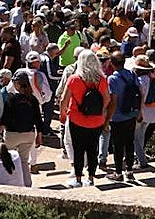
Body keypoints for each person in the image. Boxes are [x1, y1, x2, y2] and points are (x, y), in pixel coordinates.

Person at [60, 49, 110, 188]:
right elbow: (107, 98)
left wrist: (63, 114)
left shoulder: (74, 79)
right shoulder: (102, 80)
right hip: (97, 120)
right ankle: (91, 178)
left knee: (78, 149)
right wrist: (100, 111)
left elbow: (64, 100)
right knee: (92, 149)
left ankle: (78, 178)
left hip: (77, 119)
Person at [105, 51, 142, 183]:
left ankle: (118, 172)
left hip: (118, 117)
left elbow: (113, 101)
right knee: (129, 142)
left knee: (118, 145)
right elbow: (140, 92)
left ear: (112, 63)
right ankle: (130, 171)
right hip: (131, 114)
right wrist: (139, 111)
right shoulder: (132, 74)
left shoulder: (112, 79)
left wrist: (107, 119)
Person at [1, 72, 41, 187]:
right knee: (24, 161)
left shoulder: (11, 98)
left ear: (17, 84)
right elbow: (38, 119)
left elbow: (5, 118)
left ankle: (10, 183)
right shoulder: (32, 99)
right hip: (28, 134)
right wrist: (40, 135)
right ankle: (27, 184)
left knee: (8, 159)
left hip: (12, 134)